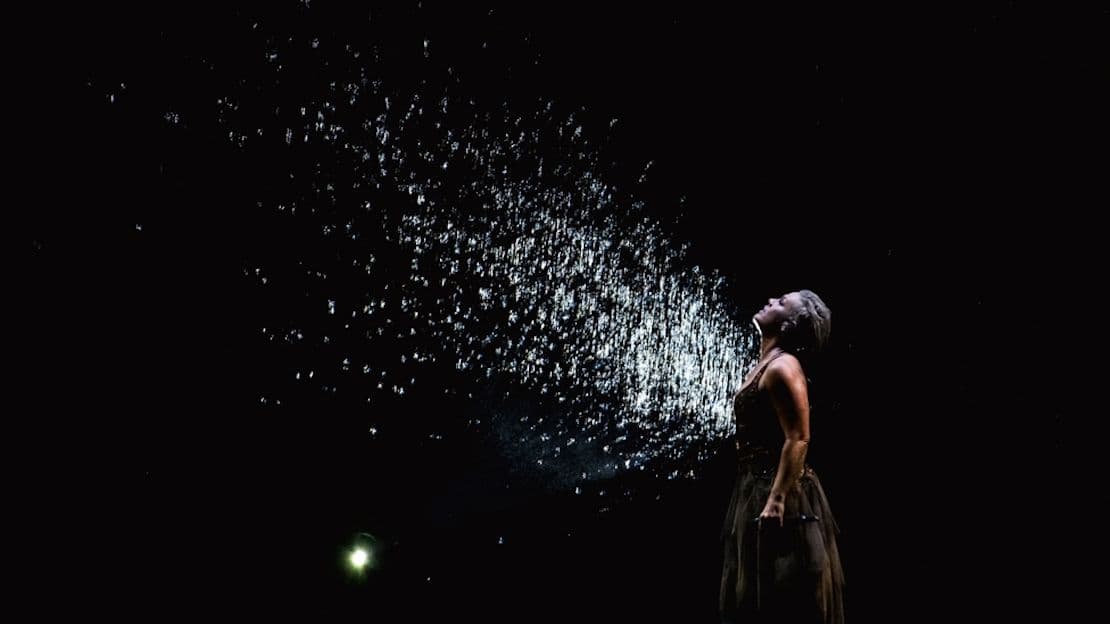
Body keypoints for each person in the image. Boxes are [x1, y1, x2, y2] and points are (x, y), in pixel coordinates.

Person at [719, 290, 845, 624]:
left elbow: (799, 436)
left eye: (782, 303)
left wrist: (777, 500)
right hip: (755, 486)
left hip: (780, 492)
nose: (772, 301)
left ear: (788, 325)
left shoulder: (783, 367)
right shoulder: (766, 365)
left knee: (786, 593)